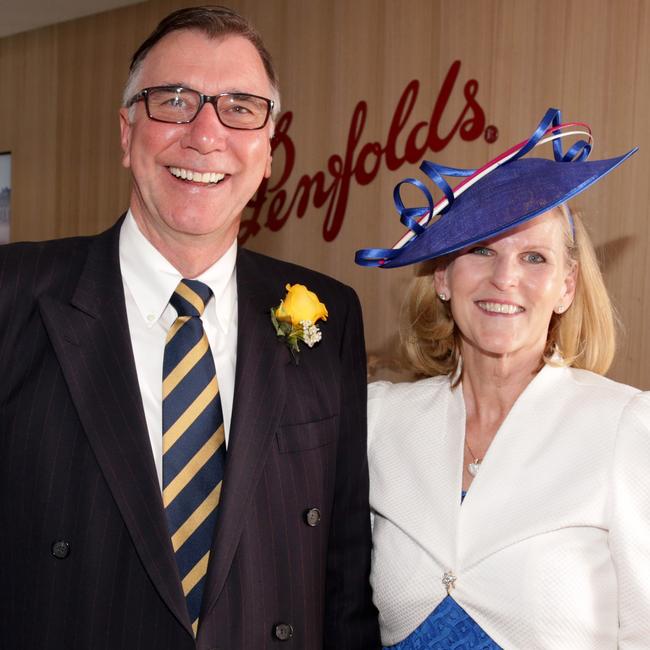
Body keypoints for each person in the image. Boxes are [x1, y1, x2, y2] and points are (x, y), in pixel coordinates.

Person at [0, 6, 380, 649]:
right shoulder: (15, 294)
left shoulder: (329, 314)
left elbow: (342, 576)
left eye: (239, 106)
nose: (206, 134)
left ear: (268, 153)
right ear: (126, 134)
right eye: (174, 101)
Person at [356, 109, 650, 648]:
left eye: (534, 257)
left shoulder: (624, 427)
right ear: (442, 276)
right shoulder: (378, 419)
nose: (504, 278)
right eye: (481, 249)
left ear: (566, 287)